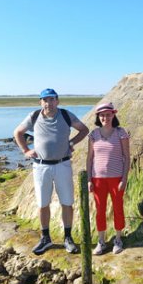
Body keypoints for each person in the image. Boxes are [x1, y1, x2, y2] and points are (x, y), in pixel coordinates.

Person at [14, 88, 89, 255]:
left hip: (62, 165)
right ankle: (45, 238)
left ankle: (68, 238)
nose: (48, 103)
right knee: (43, 203)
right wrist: (26, 150)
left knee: (67, 202)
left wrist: (71, 143)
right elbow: (17, 133)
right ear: (41, 102)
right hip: (41, 166)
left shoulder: (65, 115)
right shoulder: (34, 116)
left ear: (57, 101)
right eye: (45, 100)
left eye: (52, 99)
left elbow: (84, 129)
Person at [86, 103, 130, 255]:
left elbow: (127, 157)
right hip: (98, 178)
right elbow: (89, 158)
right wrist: (89, 180)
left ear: (113, 115)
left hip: (116, 178)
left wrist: (124, 178)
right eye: (102, 115)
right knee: (100, 210)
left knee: (118, 208)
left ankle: (118, 239)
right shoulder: (93, 135)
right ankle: (101, 241)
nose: (105, 117)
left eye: (108, 114)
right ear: (98, 117)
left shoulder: (120, 133)